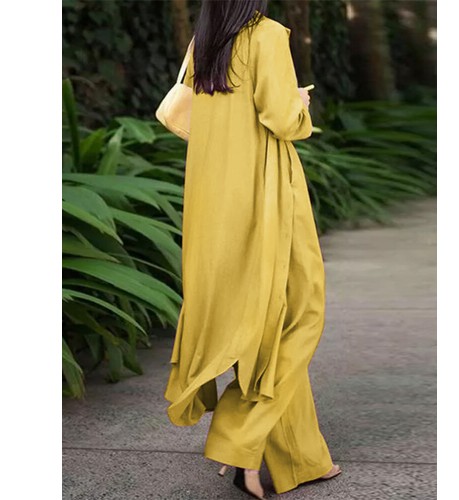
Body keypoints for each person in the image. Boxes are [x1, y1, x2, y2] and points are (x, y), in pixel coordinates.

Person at [163, 1, 341, 498]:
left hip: (214, 199)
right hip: (266, 190)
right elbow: (282, 119)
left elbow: (183, 114)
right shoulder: (266, 35)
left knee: (260, 325)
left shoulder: (206, 40)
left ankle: (299, 459)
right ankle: (238, 436)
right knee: (302, 314)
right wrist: (299, 103)